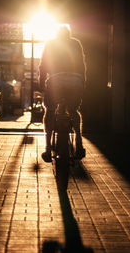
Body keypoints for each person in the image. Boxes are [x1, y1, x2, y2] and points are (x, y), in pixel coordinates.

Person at [38, 25, 86, 162]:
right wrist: (82, 83)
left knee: (50, 110)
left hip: (56, 80)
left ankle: (47, 148)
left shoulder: (51, 43)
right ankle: (79, 142)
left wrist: (42, 83)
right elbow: (82, 66)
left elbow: (43, 65)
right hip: (75, 80)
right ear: (68, 34)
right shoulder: (76, 43)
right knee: (73, 110)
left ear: (57, 34)